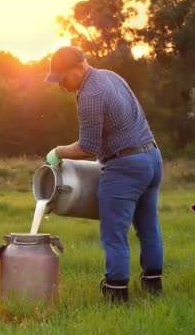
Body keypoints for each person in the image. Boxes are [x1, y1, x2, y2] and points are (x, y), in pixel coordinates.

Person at [44, 46, 163, 303]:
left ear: (78, 67)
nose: (62, 86)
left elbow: (88, 147)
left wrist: (58, 152)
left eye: (63, 78)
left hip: (125, 167)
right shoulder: (110, 76)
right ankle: (153, 286)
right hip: (152, 158)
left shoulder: (90, 94)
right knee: (148, 226)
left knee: (114, 233)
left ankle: (116, 293)